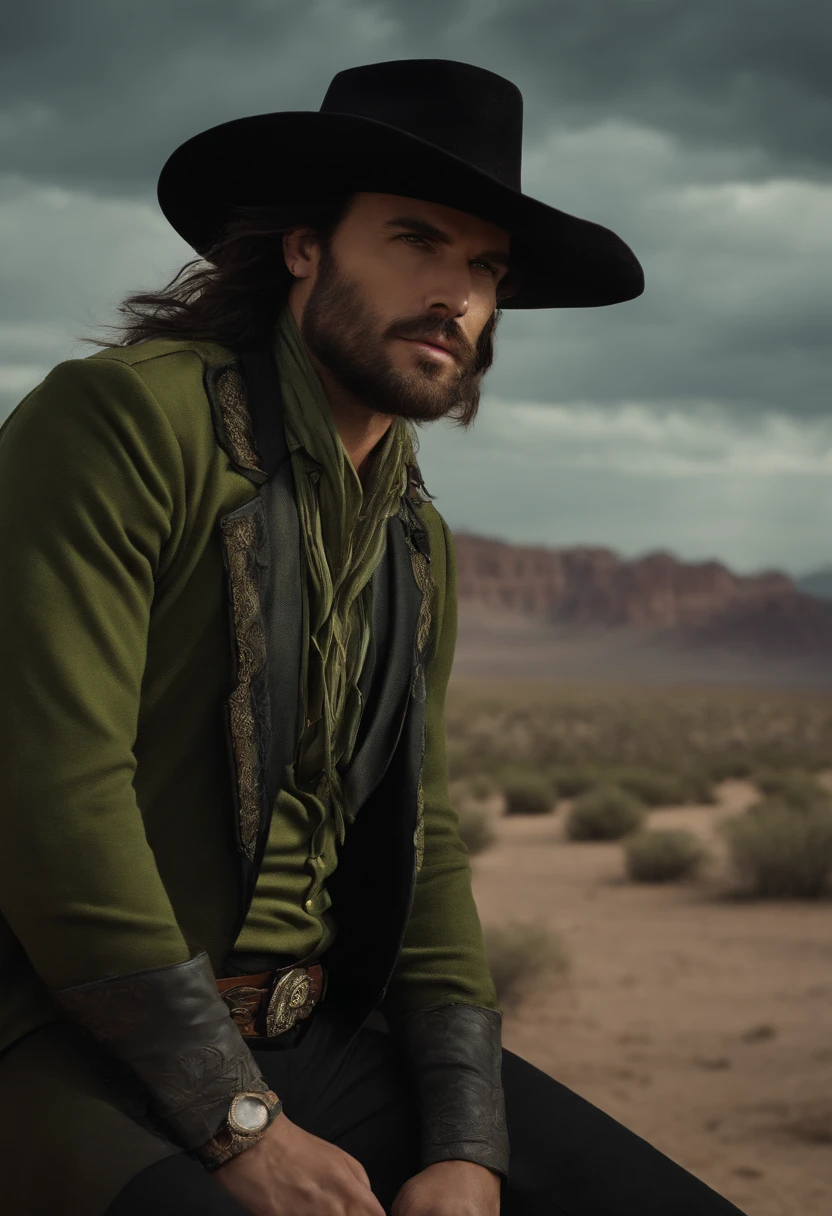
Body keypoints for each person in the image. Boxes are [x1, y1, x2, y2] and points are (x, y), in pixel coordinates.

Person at [0, 58, 746, 1216]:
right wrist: (235, 1122)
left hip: (320, 1038)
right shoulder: (121, 422)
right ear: (305, 248)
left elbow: (426, 837)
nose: (456, 292)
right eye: (414, 239)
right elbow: (57, 794)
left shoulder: (415, 537)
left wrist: (464, 1135)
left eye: (483, 266)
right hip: (69, 1039)